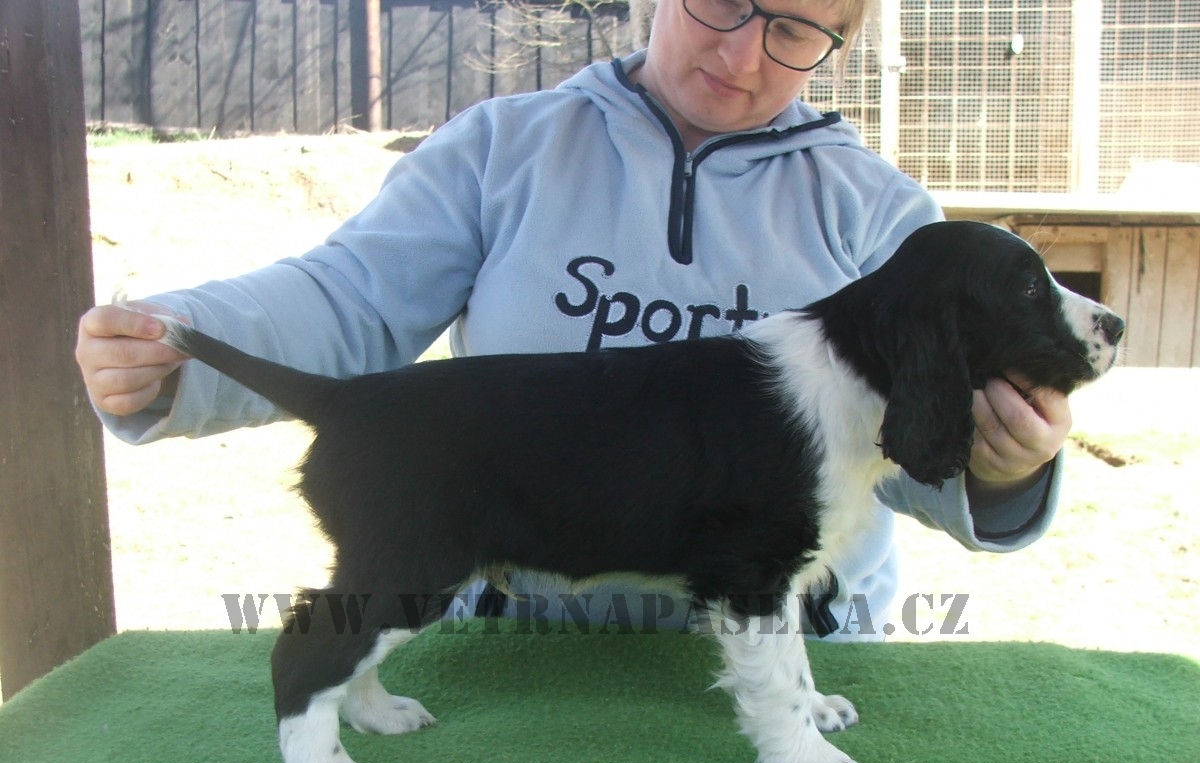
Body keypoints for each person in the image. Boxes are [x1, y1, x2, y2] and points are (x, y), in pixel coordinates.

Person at [76, 0, 1072, 638]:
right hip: (523, 645)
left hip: (789, 653)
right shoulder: (504, 152)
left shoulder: (883, 219)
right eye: (724, 1)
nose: (742, 52)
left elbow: (925, 426)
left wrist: (1005, 467)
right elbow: (349, 298)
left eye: (796, 29)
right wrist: (184, 344)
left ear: (840, 40)